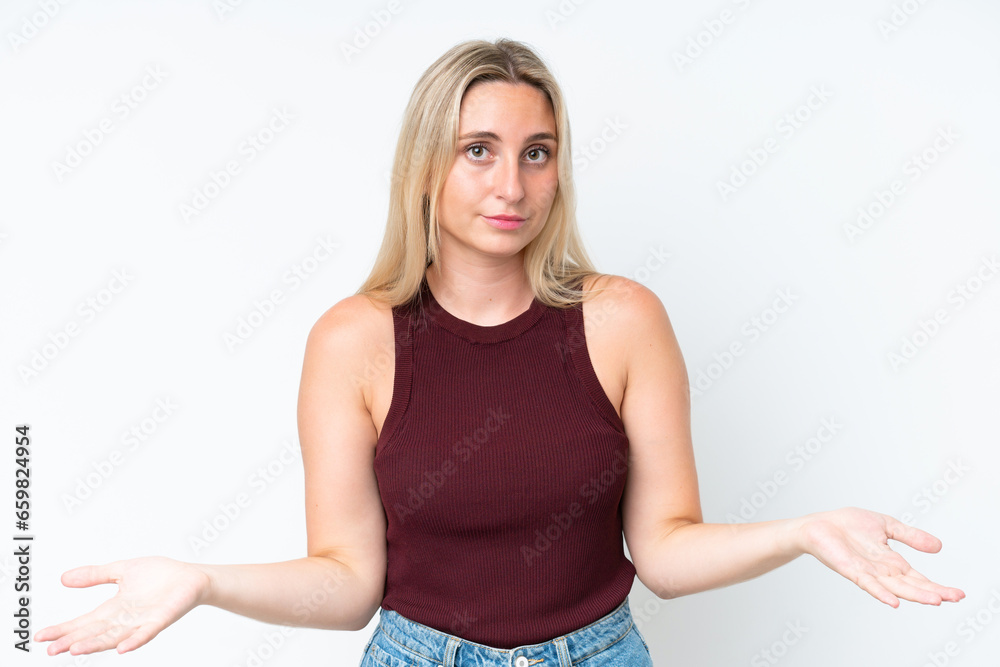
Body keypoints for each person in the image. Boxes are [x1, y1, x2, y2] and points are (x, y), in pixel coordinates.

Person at [34, 37, 964, 666]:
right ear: (425, 166)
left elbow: (667, 551)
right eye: (478, 149)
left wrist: (802, 532)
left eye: (536, 151)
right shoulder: (353, 340)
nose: (511, 184)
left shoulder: (622, 319)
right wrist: (204, 582)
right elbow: (348, 581)